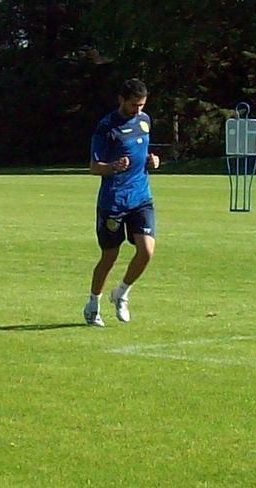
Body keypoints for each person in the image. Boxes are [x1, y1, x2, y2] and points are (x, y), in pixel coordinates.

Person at [83, 78, 161, 327]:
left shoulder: (145, 121)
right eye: (134, 105)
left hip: (141, 197)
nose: (138, 110)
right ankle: (93, 304)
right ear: (121, 100)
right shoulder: (106, 127)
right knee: (109, 257)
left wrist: (153, 161)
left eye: (142, 105)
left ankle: (122, 293)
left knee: (147, 251)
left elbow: (144, 152)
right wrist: (113, 167)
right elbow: (94, 167)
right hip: (114, 201)